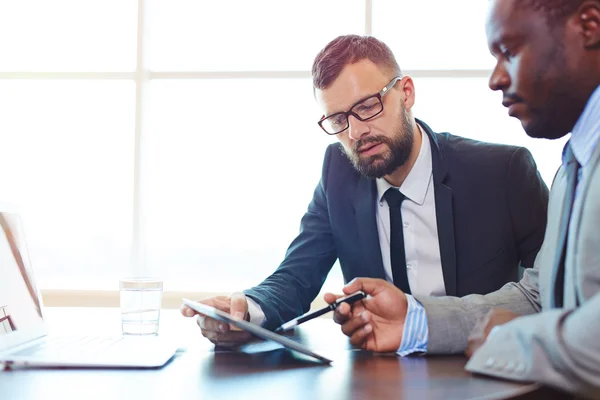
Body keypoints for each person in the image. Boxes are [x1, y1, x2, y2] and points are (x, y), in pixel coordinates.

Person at [181, 35, 549, 348]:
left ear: (406, 93)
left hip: (482, 368)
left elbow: (554, 292)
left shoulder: (503, 172)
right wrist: (244, 308)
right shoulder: (338, 171)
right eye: (338, 119)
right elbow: (297, 276)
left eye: (367, 107)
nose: (355, 133)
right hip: (378, 377)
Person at [328, 1, 600, 397]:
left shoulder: (518, 169)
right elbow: (540, 296)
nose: (495, 79)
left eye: (510, 51)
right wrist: (415, 321)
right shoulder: (572, 166)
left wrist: (509, 344)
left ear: (589, 26)